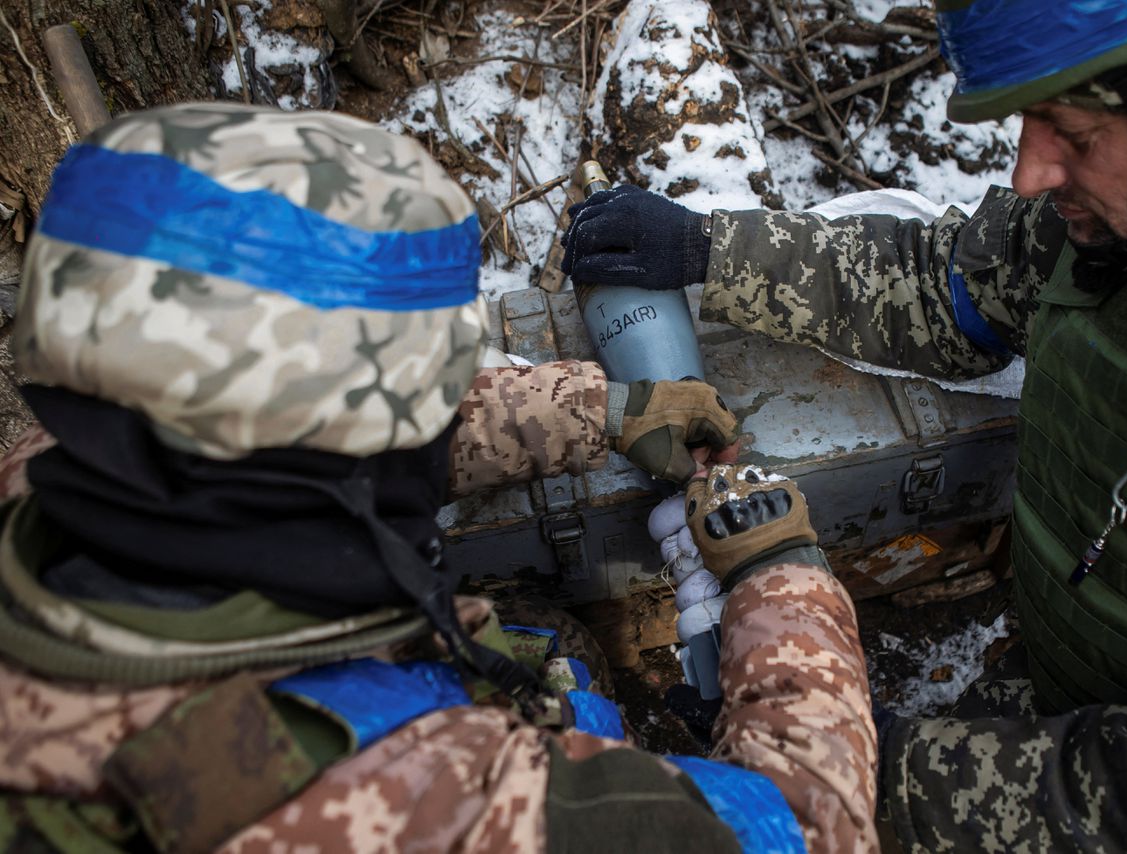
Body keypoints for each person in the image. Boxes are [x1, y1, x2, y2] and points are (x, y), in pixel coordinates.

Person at [0, 104, 879, 852]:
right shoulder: (423, 800)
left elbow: (304, 444)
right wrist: (782, 577)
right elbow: (804, 830)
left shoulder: (59, 469)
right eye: (429, 397)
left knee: (547, 636)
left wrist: (597, 412)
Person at [560, 0, 1127, 849]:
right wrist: (711, 251)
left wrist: (874, 766)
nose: (1029, 172)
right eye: (1028, 122)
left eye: (1076, 134)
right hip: (1065, 696)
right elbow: (951, 285)